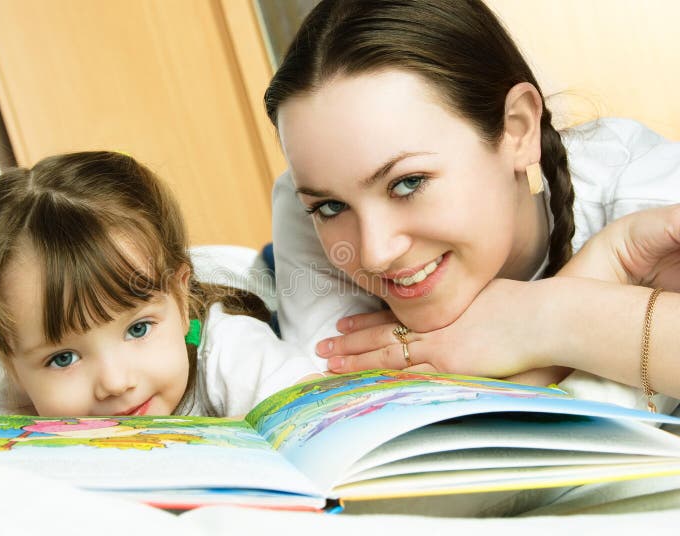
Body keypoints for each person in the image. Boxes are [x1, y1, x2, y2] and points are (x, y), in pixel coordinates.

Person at [265, 0, 680, 411]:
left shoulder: (641, 192)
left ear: (518, 129)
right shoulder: (309, 193)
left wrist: (542, 318)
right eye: (332, 209)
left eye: (408, 183)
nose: (375, 253)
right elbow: (350, 423)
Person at [0, 151, 321, 417]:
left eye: (138, 329)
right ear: (12, 367)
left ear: (178, 295)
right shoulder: (14, 410)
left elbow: (318, 419)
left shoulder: (233, 352)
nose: (115, 382)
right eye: (63, 358)